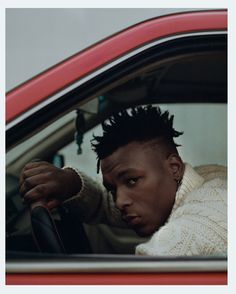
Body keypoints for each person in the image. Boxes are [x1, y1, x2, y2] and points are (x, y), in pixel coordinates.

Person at [19, 105, 227, 256]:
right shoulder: (202, 178)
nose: (119, 202)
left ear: (174, 167)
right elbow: (107, 205)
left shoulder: (198, 226)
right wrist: (71, 183)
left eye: (132, 181)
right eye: (113, 189)